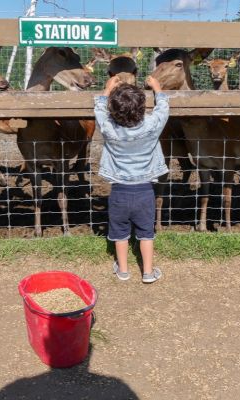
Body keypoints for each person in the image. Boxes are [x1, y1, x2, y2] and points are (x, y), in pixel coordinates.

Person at [94, 75, 170, 283]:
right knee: (146, 232)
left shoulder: (109, 129)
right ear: (142, 107)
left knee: (119, 233)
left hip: (119, 191)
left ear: (114, 109)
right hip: (145, 191)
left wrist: (106, 90)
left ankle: (123, 270)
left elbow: (99, 113)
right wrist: (157, 88)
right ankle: (148, 272)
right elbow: (163, 109)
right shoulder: (153, 126)